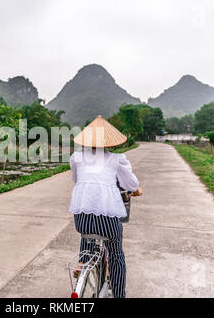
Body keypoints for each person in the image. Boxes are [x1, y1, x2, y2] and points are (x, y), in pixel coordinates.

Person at [69, 116, 142, 298]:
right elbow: (131, 184)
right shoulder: (117, 159)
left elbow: (78, 180)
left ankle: (83, 261)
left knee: (89, 225)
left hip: (81, 222)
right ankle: (118, 295)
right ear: (109, 143)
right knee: (116, 254)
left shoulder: (77, 158)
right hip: (107, 222)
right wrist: (136, 190)